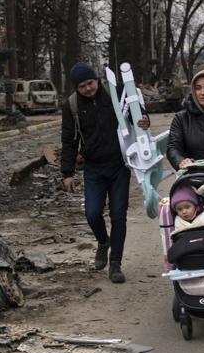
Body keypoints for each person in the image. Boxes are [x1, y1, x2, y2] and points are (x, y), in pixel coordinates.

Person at [60, 61, 149, 284]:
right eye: (82, 86)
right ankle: (103, 241)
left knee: (118, 215)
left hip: (119, 165)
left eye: (90, 83)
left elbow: (136, 109)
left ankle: (115, 264)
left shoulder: (115, 92)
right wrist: (67, 173)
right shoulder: (71, 106)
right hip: (93, 168)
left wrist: (144, 120)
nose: (88, 89)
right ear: (76, 88)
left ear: (97, 79)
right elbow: (68, 141)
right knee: (92, 213)